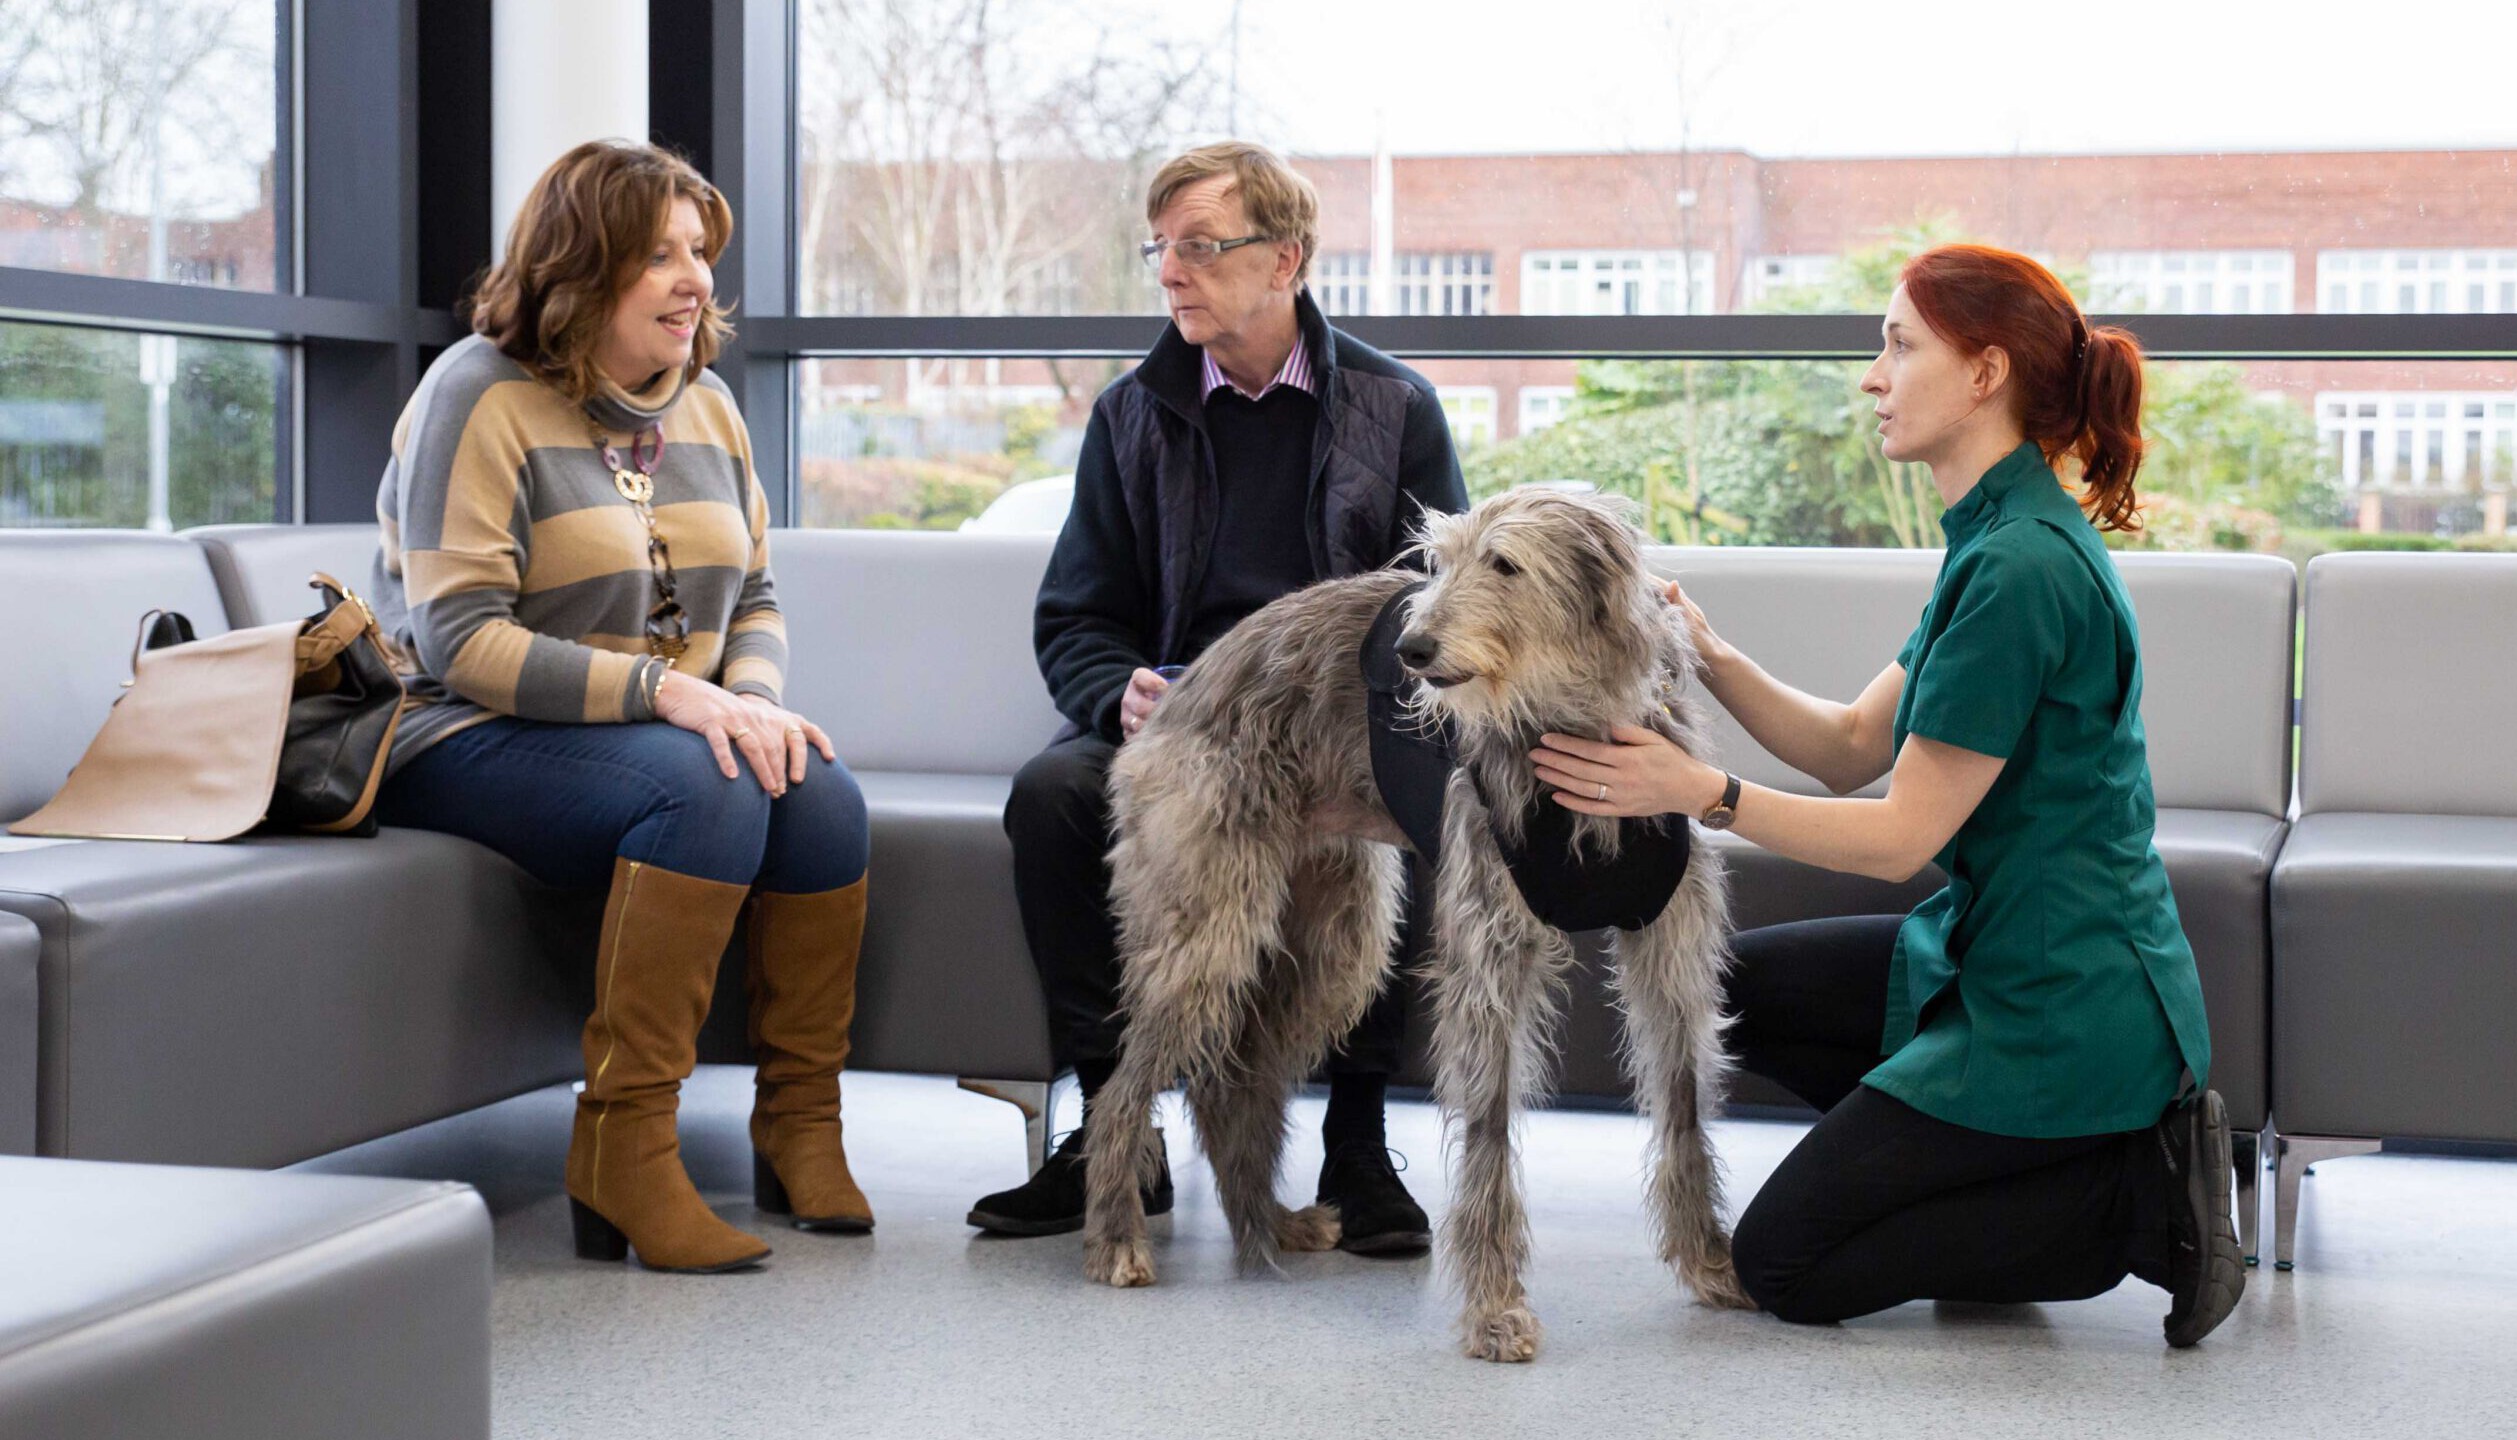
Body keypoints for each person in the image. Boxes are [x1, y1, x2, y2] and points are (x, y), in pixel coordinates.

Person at [1526, 244, 2244, 1345]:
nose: (1872, 375)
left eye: (1899, 345)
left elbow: (1900, 834)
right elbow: (1852, 745)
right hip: (1994, 949)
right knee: (1735, 991)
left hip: (2062, 1002)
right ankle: (1989, 1171)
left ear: (1984, 372)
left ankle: (2132, 1200)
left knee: (1786, 1265)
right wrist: (1709, 654)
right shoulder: (1996, 539)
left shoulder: (2020, 570)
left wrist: (1698, 790)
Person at [372, 140, 872, 1274]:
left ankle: (801, 1126)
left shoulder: (708, 410)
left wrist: (750, 697)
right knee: (705, 789)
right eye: (659, 256)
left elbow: (755, 592)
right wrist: (675, 696)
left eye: (700, 251)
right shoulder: (476, 392)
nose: (694, 278)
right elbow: (459, 640)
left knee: (822, 795)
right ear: (580, 270)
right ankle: (624, 1145)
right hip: (460, 729)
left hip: (654, 726)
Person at [967, 142, 1468, 1251]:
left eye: (1200, 246)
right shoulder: (1129, 416)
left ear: (1283, 258)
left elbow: (1446, 615)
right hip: (1178, 732)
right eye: (1161, 248)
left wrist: (1361, 727)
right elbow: (1076, 617)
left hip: (1342, 732)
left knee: (1427, 809)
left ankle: (1355, 1139)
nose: (1171, 272)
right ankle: (1118, 1133)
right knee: (1053, 793)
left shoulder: (1397, 409)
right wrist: (1119, 695)